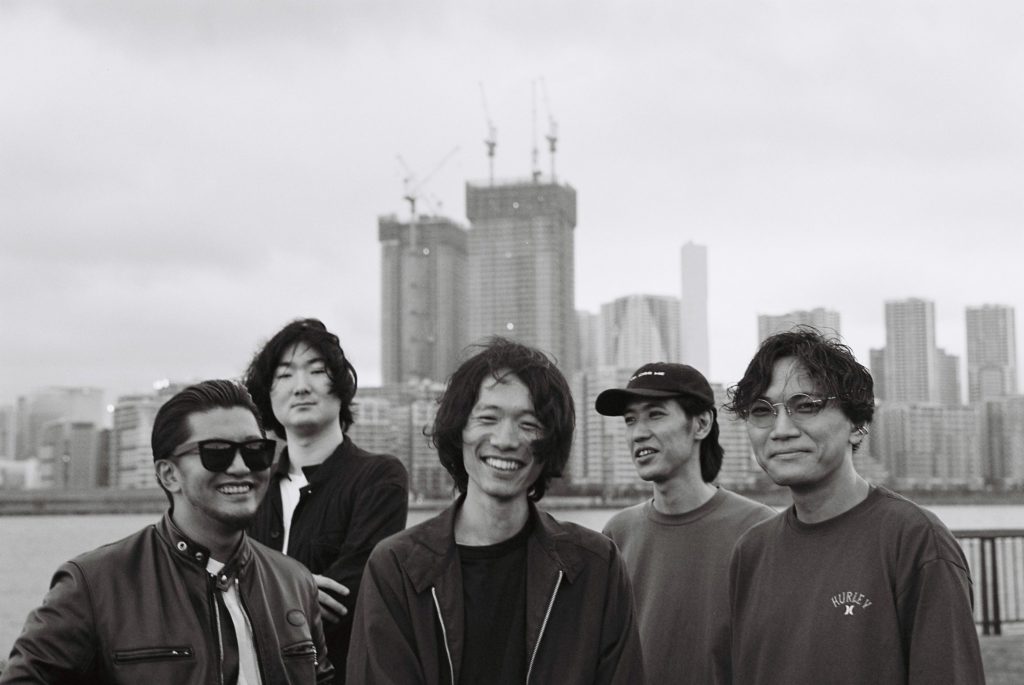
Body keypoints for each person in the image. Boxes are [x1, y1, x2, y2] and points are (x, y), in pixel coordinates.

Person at [347, 338, 645, 684]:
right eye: (487, 418)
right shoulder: (397, 567)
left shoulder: (595, 565)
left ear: (550, 443)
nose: (505, 440)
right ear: (458, 430)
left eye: (529, 424)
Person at [1, 380, 334, 684]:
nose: (241, 467)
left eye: (255, 451)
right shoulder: (93, 585)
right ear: (169, 475)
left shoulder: (293, 582)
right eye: (216, 453)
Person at [722, 327, 984, 684]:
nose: (781, 430)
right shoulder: (751, 551)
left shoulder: (915, 541)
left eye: (806, 405)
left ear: (858, 424)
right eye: (761, 410)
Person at [244, 318, 408, 679]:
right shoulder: (252, 486)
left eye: (317, 371)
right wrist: (298, 593)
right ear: (268, 395)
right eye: (284, 375)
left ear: (341, 386)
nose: (301, 386)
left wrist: (256, 595)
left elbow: (344, 597)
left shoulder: (379, 477)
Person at [597, 362, 775, 685]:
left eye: (655, 414)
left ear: (701, 424)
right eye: (630, 420)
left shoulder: (759, 529)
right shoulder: (617, 533)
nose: (638, 433)